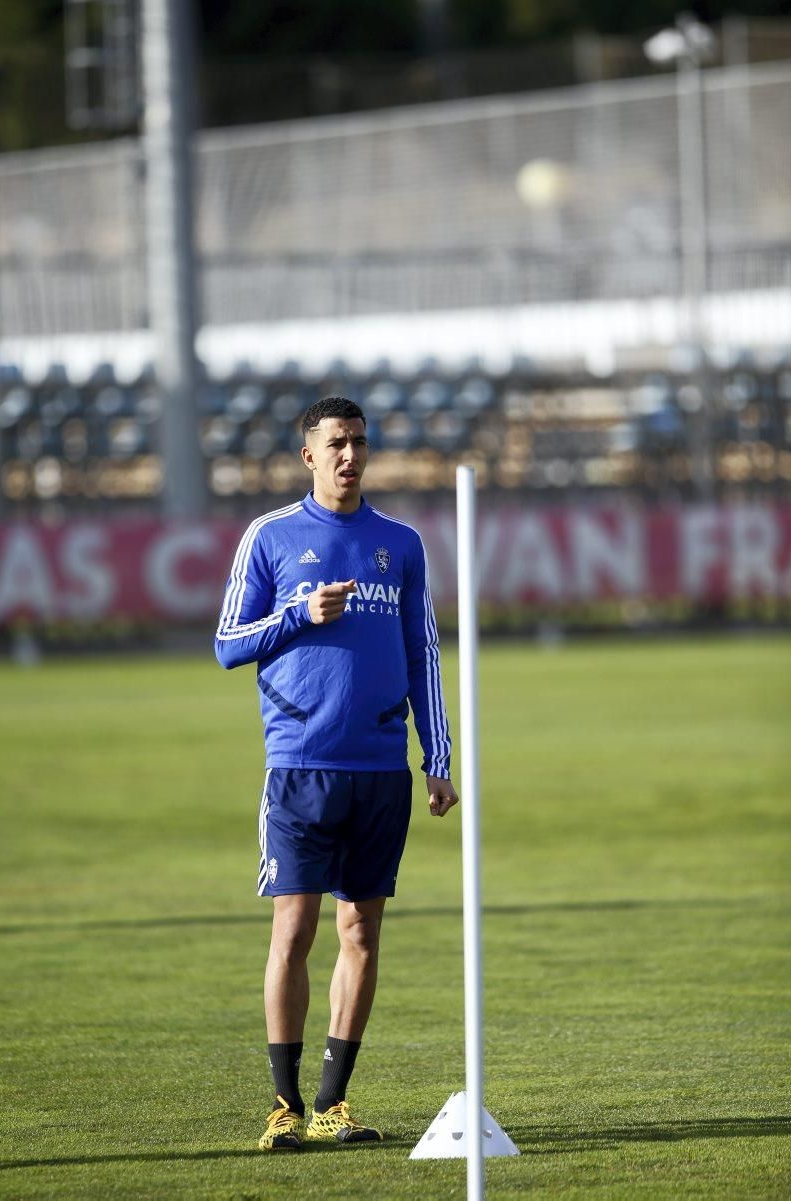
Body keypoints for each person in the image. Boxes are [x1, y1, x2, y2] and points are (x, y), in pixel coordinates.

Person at [214, 395, 458, 1151]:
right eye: (336, 444)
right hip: (300, 767)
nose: (350, 455)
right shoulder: (271, 536)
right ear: (308, 456)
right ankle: (283, 1106)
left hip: (382, 769)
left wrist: (437, 758)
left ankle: (331, 1101)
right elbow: (227, 642)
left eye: (358, 441)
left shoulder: (402, 542)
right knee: (295, 927)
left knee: (361, 930)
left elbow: (423, 652)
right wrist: (298, 611)